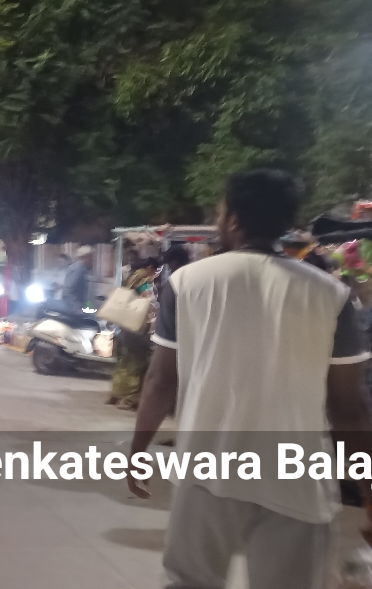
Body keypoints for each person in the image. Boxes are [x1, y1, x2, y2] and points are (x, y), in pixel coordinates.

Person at [128, 169, 372, 589]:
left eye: (220, 212)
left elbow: (160, 382)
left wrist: (137, 450)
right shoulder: (330, 295)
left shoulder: (187, 283)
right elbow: (348, 409)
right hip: (296, 481)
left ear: (234, 220)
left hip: (205, 471)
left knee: (190, 582)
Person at [108, 256, 160, 410]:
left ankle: (116, 394)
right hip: (137, 326)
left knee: (123, 362)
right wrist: (157, 311)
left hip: (124, 324)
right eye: (156, 270)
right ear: (150, 267)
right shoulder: (144, 281)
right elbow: (148, 301)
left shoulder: (131, 277)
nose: (156, 274)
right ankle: (129, 398)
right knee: (138, 363)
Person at [61, 245, 94, 312]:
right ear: (85, 257)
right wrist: (77, 308)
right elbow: (68, 291)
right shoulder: (78, 269)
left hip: (77, 307)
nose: (92, 260)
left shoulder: (81, 268)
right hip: (73, 309)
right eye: (91, 257)